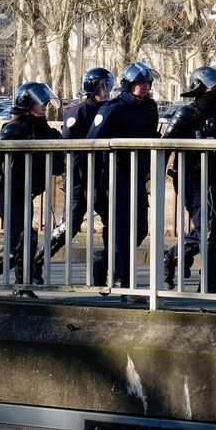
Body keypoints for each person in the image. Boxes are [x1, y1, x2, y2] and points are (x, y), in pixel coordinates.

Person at [0, 82, 63, 292]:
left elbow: (58, 161)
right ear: (26, 103)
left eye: (45, 103)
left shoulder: (47, 131)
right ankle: (22, 286)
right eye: (39, 103)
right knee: (25, 237)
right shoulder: (13, 129)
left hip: (25, 192)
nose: (44, 106)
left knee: (18, 244)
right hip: (5, 192)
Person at [31, 67, 114, 284]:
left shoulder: (110, 110)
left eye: (108, 87)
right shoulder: (78, 113)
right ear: (92, 88)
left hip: (103, 179)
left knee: (114, 223)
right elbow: (72, 150)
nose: (106, 92)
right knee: (69, 227)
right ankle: (35, 263)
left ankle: (106, 267)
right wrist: (79, 180)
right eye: (103, 87)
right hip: (81, 179)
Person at [85, 61, 159, 289]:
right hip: (114, 178)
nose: (144, 87)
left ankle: (105, 262)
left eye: (147, 83)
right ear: (128, 85)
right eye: (139, 83)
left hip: (137, 176)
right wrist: (94, 182)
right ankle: (123, 278)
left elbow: (151, 137)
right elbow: (92, 142)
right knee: (122, 229)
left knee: (140, 229)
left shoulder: (150, 107)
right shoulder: (112, 108)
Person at [162, 66, 216, 293]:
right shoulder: (186, 113)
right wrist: (154, 176)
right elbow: (164, 146)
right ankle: (210, 283)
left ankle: (172, 257)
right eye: (212, 85)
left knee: (214, 228)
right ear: (199, 86)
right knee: (211, 228)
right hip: (193, 178)